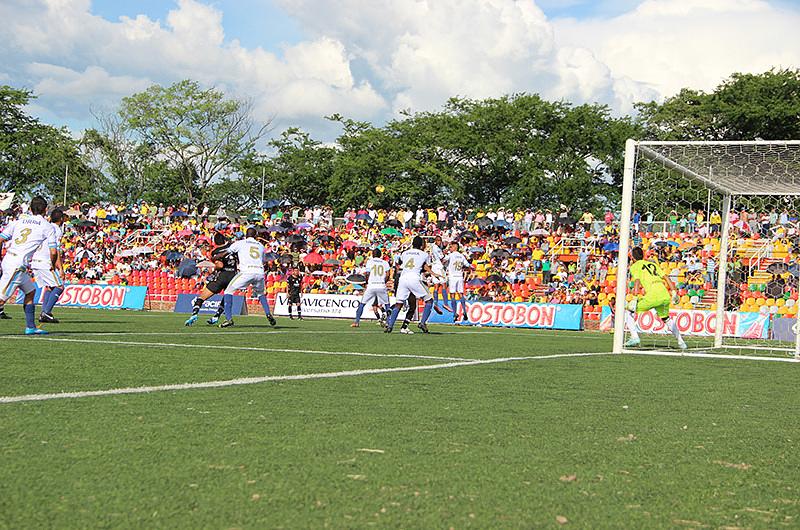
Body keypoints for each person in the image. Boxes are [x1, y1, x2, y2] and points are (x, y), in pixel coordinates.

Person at [0, 196, 58, 334]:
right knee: (1, 300)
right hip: (18, 265)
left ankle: (30, 327)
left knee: (30, 292)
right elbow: (53, 250)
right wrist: (53, 264)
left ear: (30, 209)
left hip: (11, 260)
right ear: (45, 210)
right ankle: (30, 327)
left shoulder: (18, 221)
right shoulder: (47, 226)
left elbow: (1, 238)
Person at [624, 246, 686, 350]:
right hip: (665, 294)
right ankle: (681, 342)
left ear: (633, 258)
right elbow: (666, 277)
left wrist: (635, 297)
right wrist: (674, 292)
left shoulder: (635, 266)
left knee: (628, 311)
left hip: (653, 295)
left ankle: (635, 337)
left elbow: (637, 282)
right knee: (666, 319)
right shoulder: (652, 264)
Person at [218, 228, 276, 328]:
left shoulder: (240, 243)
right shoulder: (261, 246)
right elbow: (262, 259)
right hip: (259, 272)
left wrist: (217, 256)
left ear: (246, 234)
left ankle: (228, 319)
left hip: (246, 272)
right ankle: (268, 313)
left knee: (228, 291)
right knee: (261, 294)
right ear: (255, 235)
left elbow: (227, 252)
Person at [385, 236, 437, 334]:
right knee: (429, 300)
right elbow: (426, 266)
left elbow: (399, 263)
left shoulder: (405, 253)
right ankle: (422, 322)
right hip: (414, 278)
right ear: (422, 245)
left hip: (403, 279)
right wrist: (433, 273)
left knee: (399, 304)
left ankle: (390, 326)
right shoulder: (424, 254)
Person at [184, 232, 237, 326]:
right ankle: (216, 316)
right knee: (226, 296)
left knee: (201, 297)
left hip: (222, 276)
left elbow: (220, 265)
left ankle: (194, 314)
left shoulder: (216, 251)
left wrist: (213, 268)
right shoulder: (232, 247)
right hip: (233, 276)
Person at [31, 208, 66, 323]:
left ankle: (44, 313)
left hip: (35, 261)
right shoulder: (56, 229)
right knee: (59, 286)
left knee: (49, 287)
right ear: (61, 219)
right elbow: (55, 250)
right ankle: (46, 312)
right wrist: (60, 268)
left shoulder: (44, 226)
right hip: (45, 261)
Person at [352, 249, 391, 328]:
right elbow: (387, 275)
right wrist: (383, 281)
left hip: (371, 286)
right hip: (381, 285)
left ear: (373, 254)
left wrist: (367, 282)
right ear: (380, 255)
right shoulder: (385, 263)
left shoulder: (370, 262)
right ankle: (388, 323)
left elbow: (367, 273)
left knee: (362, 304)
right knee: (387, 305)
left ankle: (356, 322)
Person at [443, 241, 472, 322]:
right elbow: (467, 265)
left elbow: (444, 260)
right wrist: (471, 267)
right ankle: (465, 311)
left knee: (452, 295)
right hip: (460, 277)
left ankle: (455, 313)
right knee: (461, 294)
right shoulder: (461, 256)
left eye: (451, 247)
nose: (450, 248)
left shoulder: (451, 255)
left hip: (452, 277)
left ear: (455, 247)